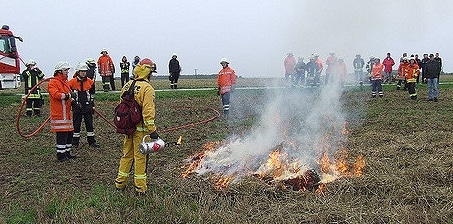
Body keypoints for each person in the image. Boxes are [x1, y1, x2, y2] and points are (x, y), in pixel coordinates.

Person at [115, 58, 161, 194]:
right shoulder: (147, 89)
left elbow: (121, 106)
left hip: (128, 128)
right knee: (140, 158)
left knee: (126, 155)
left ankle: (120, 183)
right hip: (141, 131)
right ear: (148, 72)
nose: (152, 76)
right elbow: (148, 112)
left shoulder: (127, 85)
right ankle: (140, 188)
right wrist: (152, 131)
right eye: (151, 72)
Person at [48, 61, 76, 162]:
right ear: (59, 71)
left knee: (69, 134)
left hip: (67, 114)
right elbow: (56, 95)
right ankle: (61, 155)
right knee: (62, 136)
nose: (67, 72)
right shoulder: (53, 82)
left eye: (68, 70)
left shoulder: (66, 82)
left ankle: (67, 153)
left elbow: (68, 94)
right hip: (59, 114)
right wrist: (69, 96)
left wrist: (73, 102)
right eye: (65, 70)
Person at [68, 62, 100, 148]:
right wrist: (73, 103)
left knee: (89, 125)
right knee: (76, 125)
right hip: (76, 107)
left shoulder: (90, 82)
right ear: (78, 72)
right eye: (81, 71)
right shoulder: (71, 82)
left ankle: (91, 142)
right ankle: (75, 143)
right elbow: (68, 94)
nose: (83, 73)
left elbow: (92, 95)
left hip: (87, 106)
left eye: (85, 71)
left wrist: (92, 105)